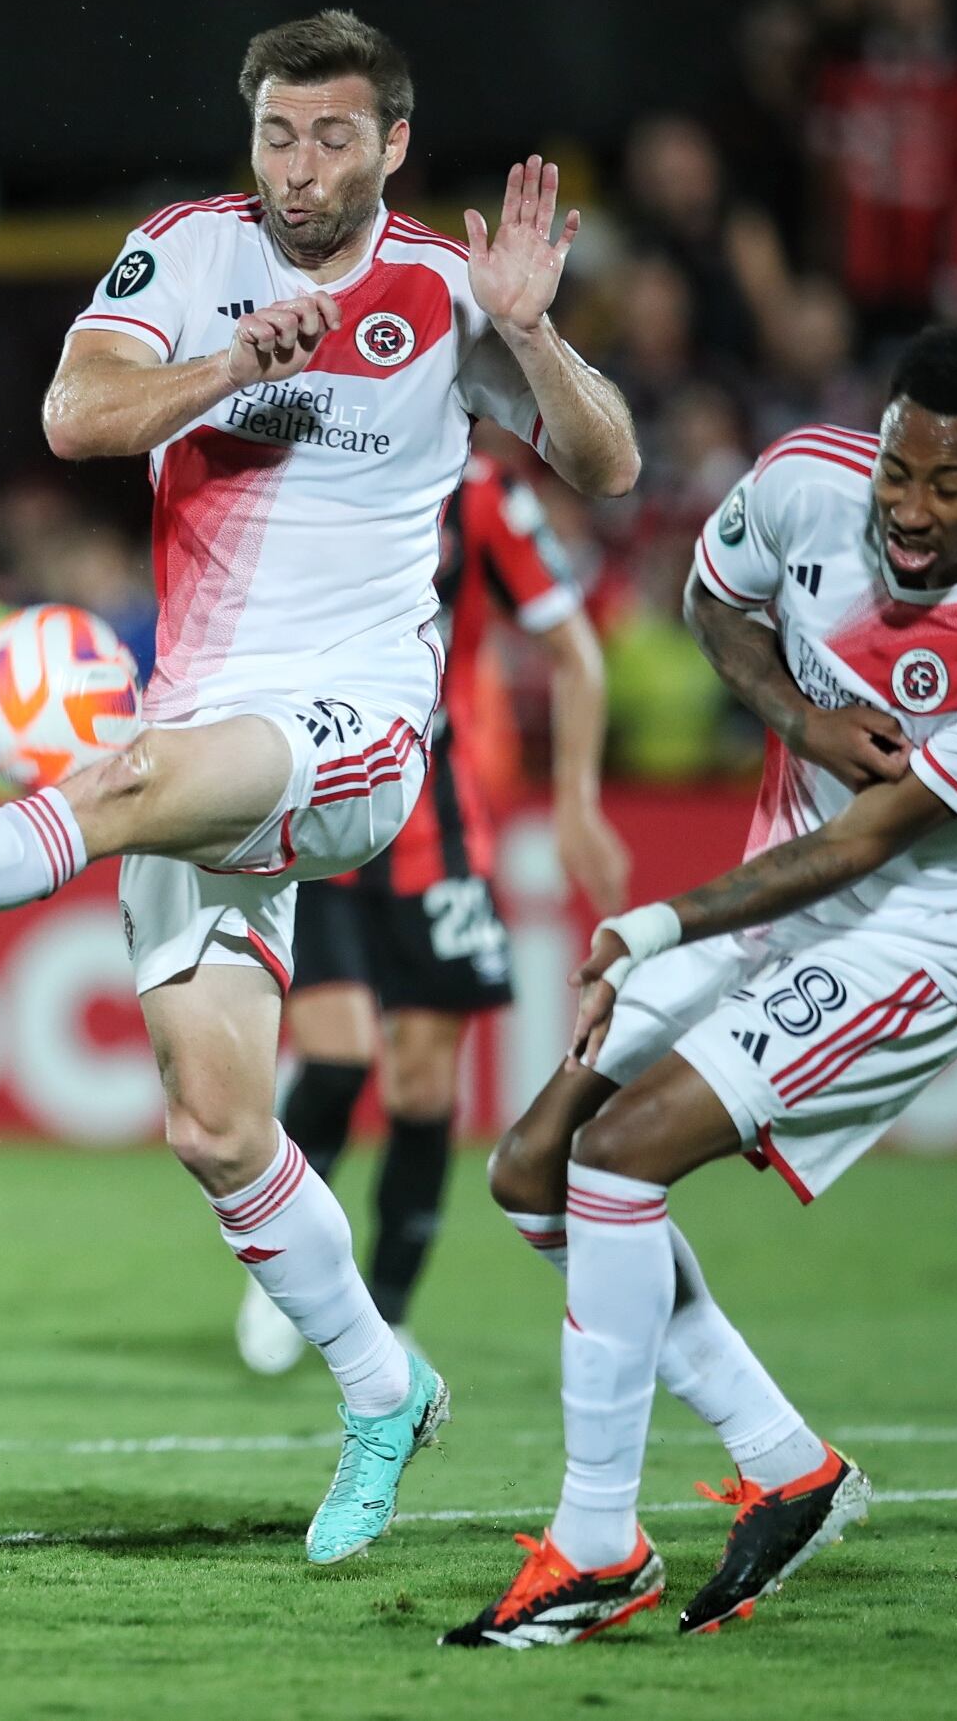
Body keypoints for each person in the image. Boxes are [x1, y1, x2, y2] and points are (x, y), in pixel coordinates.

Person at [0, 9, 640, 1565]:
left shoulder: (445, 293)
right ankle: (380, 1386)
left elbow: (602, 467)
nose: (299, 166)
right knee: (214, 1126)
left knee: (122, 781)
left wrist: (532, 333)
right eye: (277, 133)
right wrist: (223, 365)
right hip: (204, 715)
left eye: (333, 137)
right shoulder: (186, 256)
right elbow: (75, 417)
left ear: (391, 145)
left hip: (351, 725)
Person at [446, 328, 957, 1648]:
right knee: (531, 1170)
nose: (907, 510)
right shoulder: (804, 477)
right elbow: (712, 602)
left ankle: (591, 1546)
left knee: (616, 1162)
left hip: (901, 944)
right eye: (895, 473)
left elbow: (862, 841)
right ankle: (783, 1461)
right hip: (767, 902)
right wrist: (796, 720)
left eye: (944, 488)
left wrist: (654, 919)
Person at [238, 453, 628, 1374]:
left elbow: (574, 651)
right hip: (317, 799)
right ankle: (280, 1273)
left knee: (420, 1086)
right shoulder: (302, 470)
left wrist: (575, 801)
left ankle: (389, 1310)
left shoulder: (484, 494)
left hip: (437, 823)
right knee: (334, 1058)